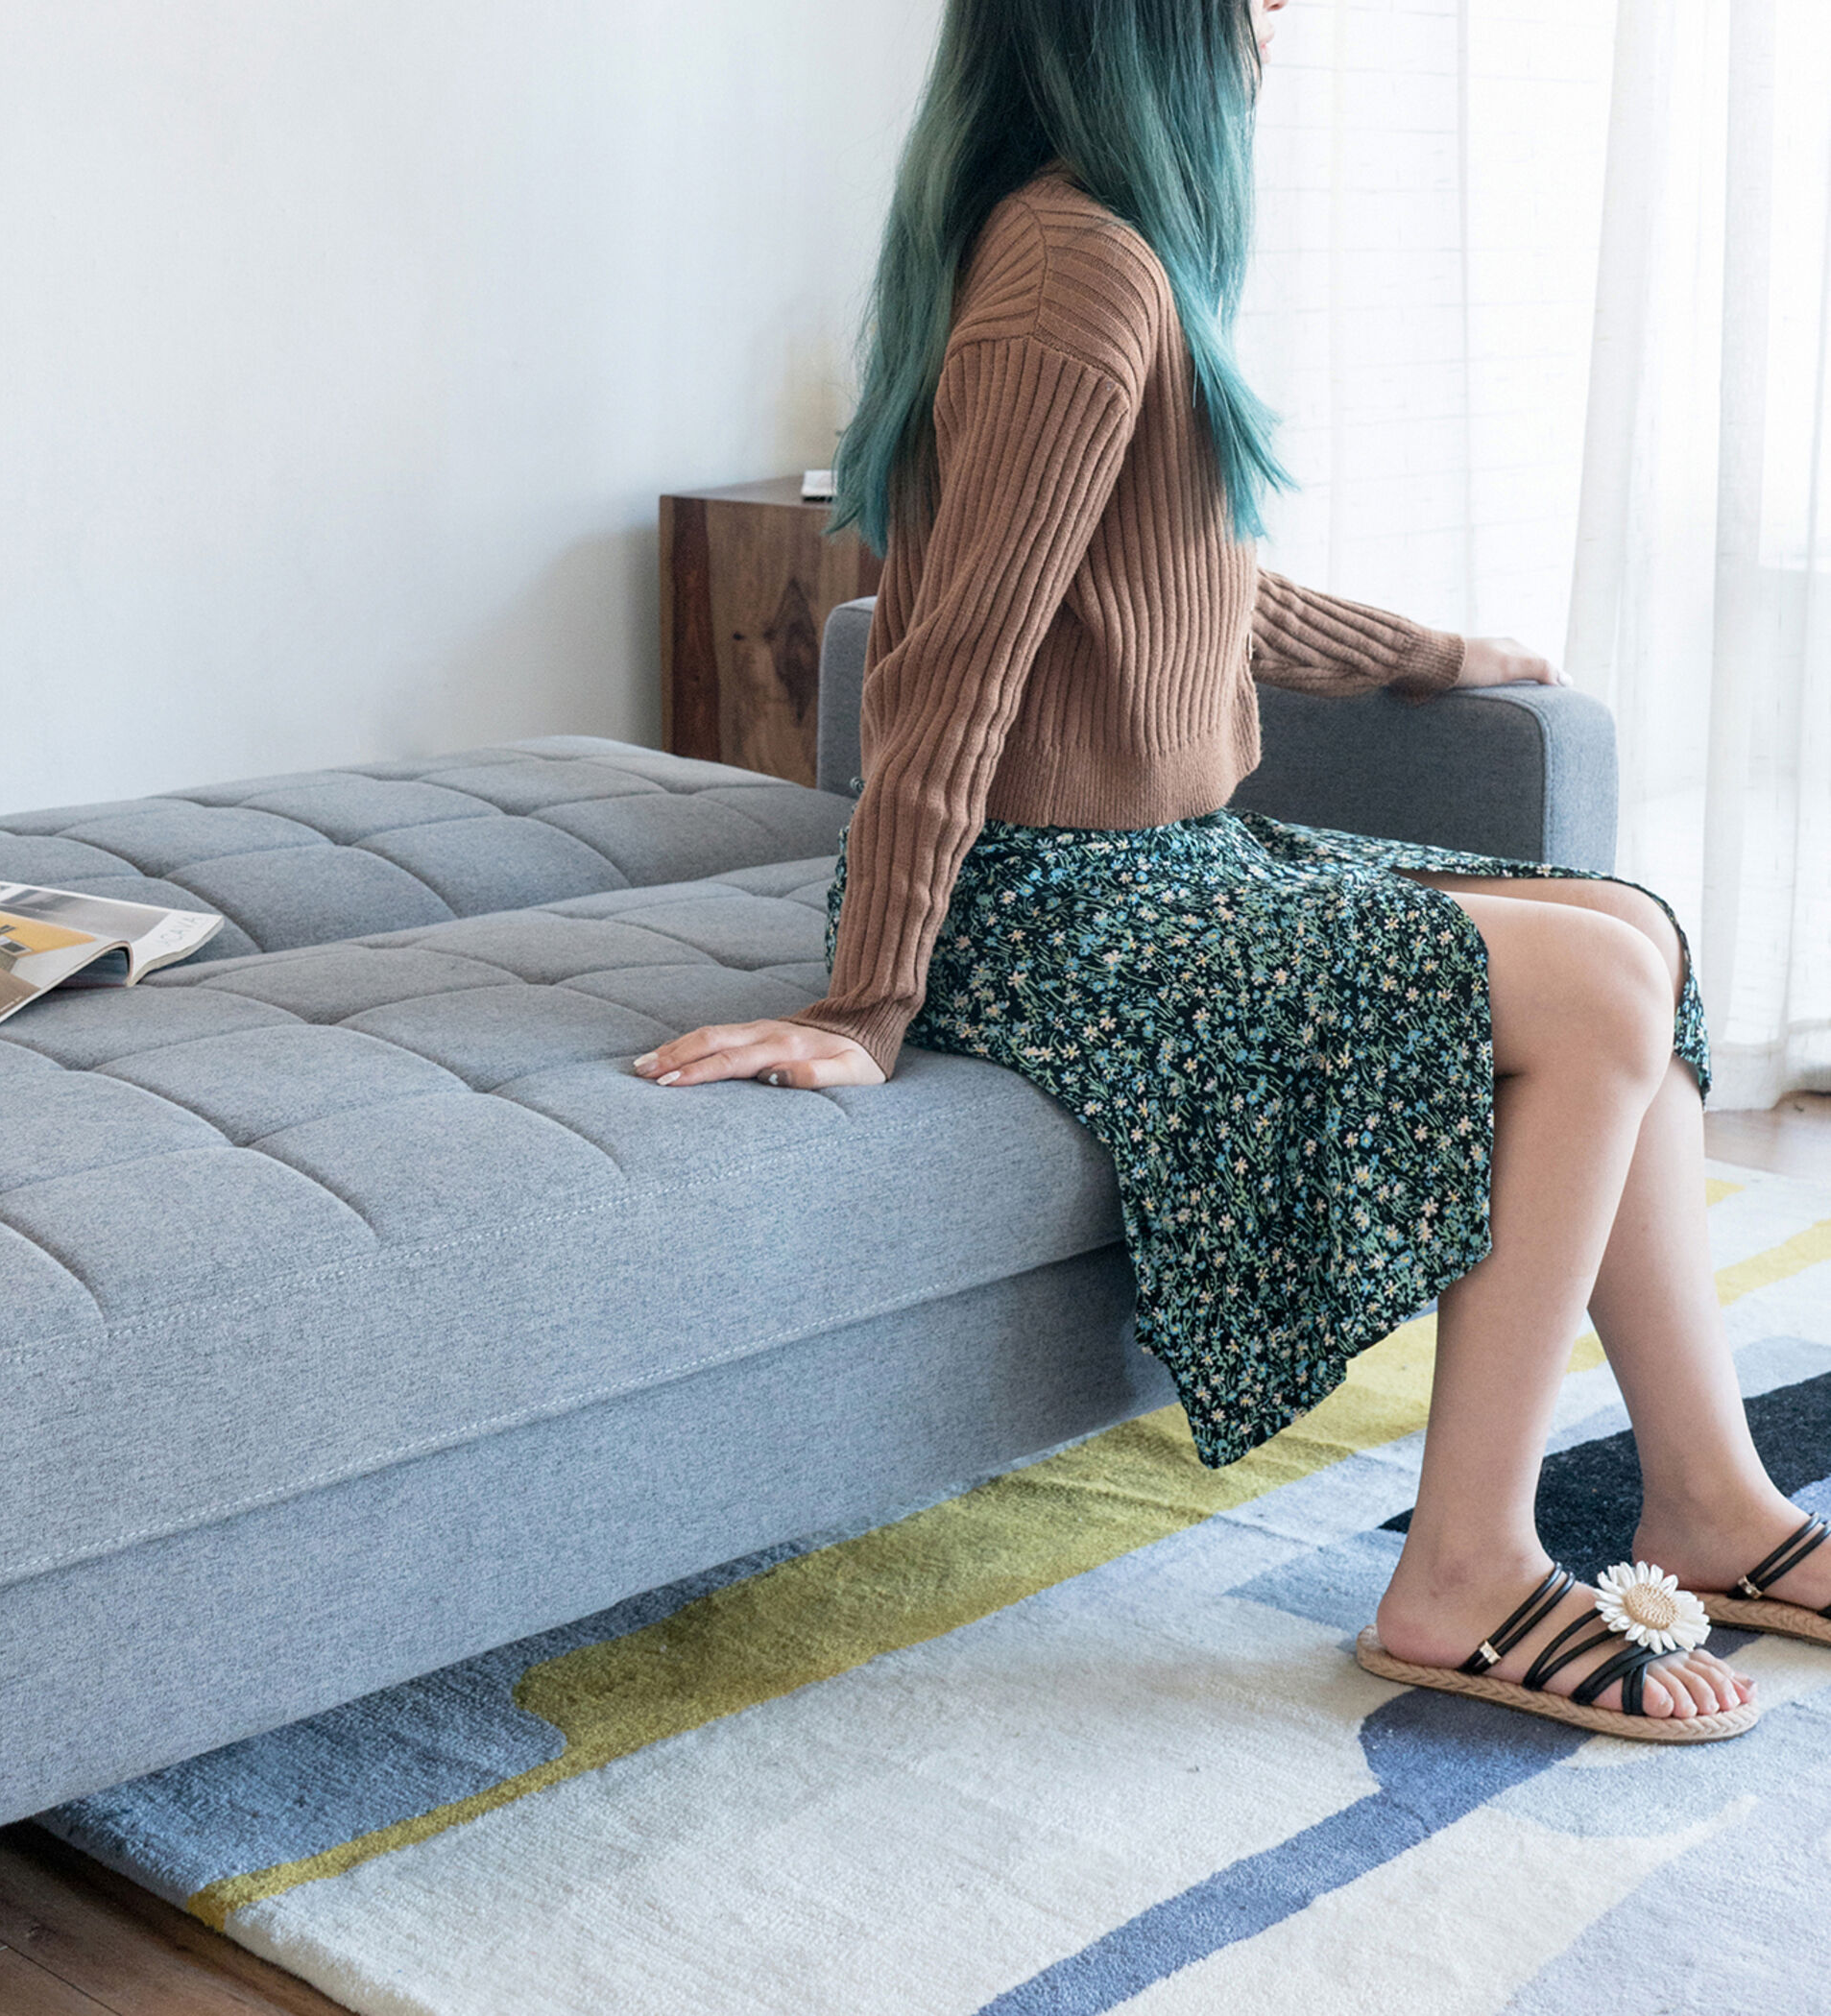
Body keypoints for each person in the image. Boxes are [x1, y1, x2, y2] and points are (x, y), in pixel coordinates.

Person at [634, 0, 1829, 1739]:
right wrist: (868, 1000)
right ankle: (1467, 1571)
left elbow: (1171, 589)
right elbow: (953, 664)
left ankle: (1708, 1505)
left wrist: (1425, 649)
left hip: (1164, 861)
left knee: (1629, 928)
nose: (1282, 22)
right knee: (1596, 988)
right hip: (1048, 903)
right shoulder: (1078, 272)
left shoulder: (1099, 249)